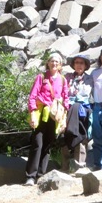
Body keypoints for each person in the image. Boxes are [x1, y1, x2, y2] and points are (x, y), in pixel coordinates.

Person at [25, 53, 69, 186]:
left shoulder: (62, 80)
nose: (54, 63)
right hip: (41, 113)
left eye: (57, 61)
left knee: (48, 145)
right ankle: (30, 176)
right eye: (52, 61)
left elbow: (66, 98)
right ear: (48, 63)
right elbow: (33, 96)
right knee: (37, 143)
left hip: (54, 116)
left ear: (60, 65)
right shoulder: (42, 77)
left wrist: (63, 119)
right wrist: (32, 113)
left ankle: (40, 175)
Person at [61, 53, 93, 172]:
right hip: (67, 110)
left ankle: (79, 166)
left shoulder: (90, 79)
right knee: (64, 136)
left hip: (82, 111)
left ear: (85, 65)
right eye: (77, 62)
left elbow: (89, 96)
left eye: (82, 63)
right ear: (73, 65)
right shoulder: (67, 77)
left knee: (81, 136)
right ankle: (64, 167)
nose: (79, 65)